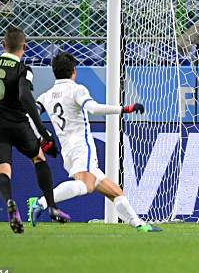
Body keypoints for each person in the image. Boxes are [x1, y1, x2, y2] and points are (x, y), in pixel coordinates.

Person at [27, 52, 161, 233]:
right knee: (86, 186)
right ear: (74, 70)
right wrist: (124, 109)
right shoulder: (77, 89)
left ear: (54, 72)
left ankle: (139, 225)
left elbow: (29, 117)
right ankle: (42, 202)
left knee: (115, 191)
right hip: (82, 147)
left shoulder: (46, 96)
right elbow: (93, 108)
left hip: (68, 150)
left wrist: (42, 138)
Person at [0, 27, 70, 234]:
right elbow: (25, 97)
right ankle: (53, 207)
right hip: (18, 125)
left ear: (2, 45)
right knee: (38, 158)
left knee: (2, 170)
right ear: (24, 48)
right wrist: (43, 131)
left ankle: (10, 202)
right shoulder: (23, 70)